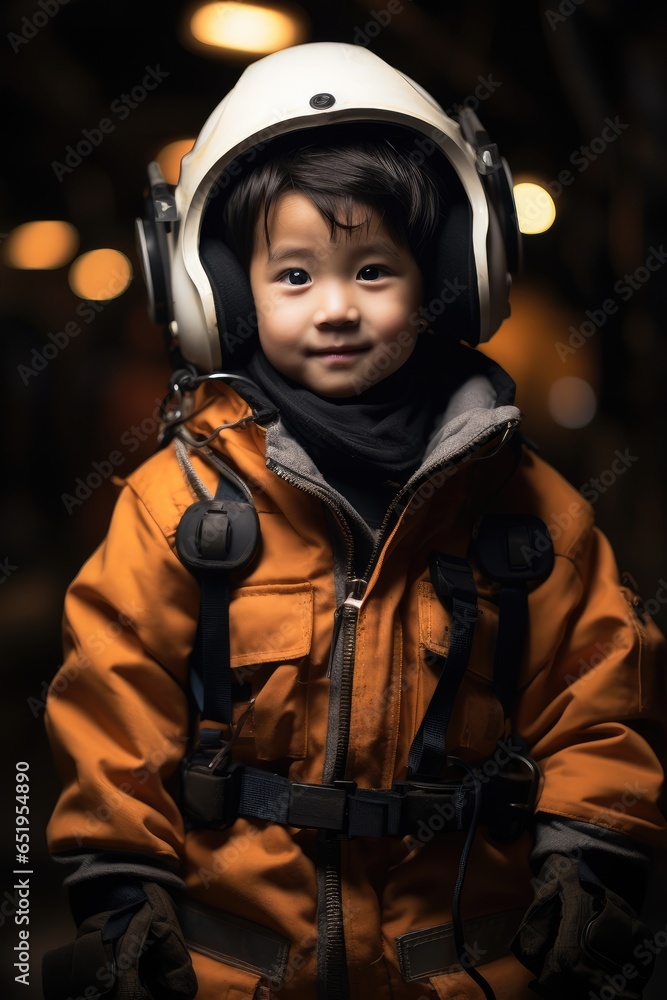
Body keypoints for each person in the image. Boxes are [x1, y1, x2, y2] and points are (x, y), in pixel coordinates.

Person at [42, 41, 667, 1000]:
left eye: (373, 270)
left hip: (466, 975)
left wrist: (589, 858)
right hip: (232, 976)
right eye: (293, 275)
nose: (334, 308)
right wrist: (120, 894)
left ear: (451, 275)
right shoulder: (178, 509)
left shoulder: (532, 517)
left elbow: (596, 705)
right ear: (218, 289)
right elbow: (110, 706)